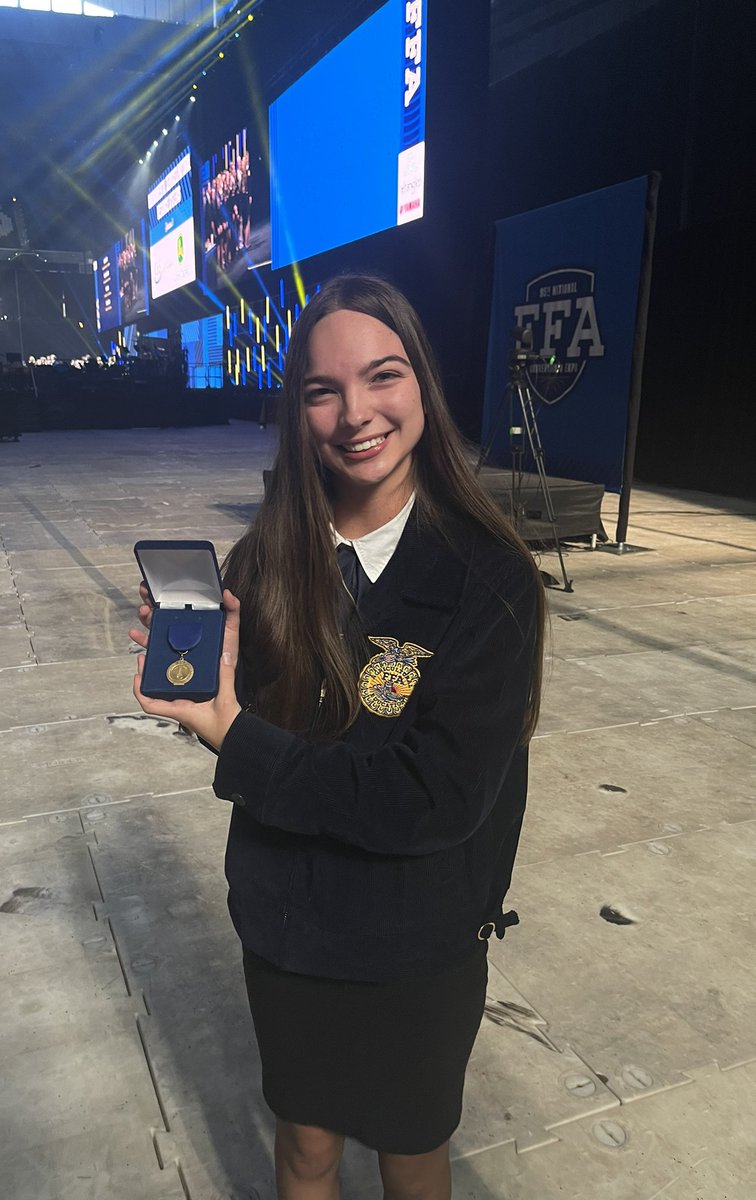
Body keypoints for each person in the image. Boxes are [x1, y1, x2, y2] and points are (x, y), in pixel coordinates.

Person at [130, 274, 546, 1200]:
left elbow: (431, 797)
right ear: (297, 409)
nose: (355, 412)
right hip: (289, 930)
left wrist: (238, 739)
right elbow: (262, 748)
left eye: (383, 376)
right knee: (307, 1149)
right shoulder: (267, 562)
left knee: (410, 1155)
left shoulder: (491, 580)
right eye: (322, 390)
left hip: (415, 943)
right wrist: (219, 702)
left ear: (422, 388)